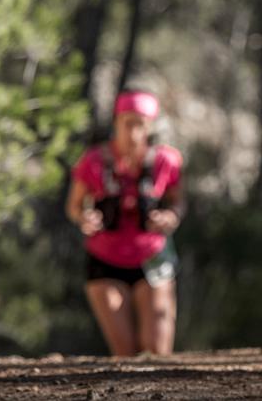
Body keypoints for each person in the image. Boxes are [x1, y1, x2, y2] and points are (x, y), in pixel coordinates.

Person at [65, 89, 184, 356]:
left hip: (152, 258)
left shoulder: (166, 160)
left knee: (156, 352)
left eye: (140, 124)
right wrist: (85, 218)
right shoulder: (93, 161)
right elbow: (74, 206)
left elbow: (177, 202)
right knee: (126, 353)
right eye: (127, 123)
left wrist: (170, 216)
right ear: (116, 122)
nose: (133, 132)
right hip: (105, 260)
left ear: (150, 126)